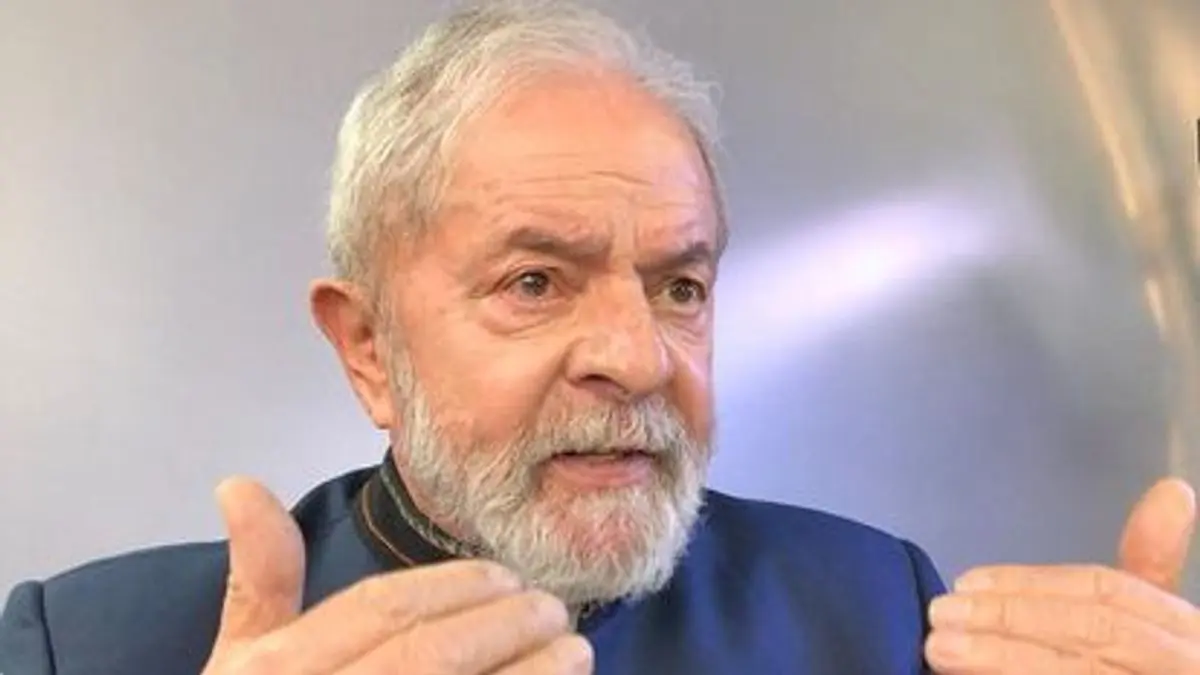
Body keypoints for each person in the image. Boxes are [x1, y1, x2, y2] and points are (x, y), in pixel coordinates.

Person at [3, 1, 1200, 673]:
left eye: (680, 287)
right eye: (535, 281)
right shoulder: (83, 646)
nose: (635, 358)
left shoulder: (876, 613)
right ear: (367, 347)